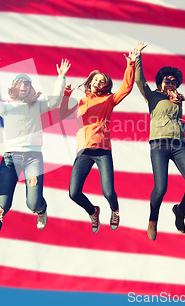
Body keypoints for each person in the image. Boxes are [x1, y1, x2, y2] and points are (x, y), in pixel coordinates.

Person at [0, 52, 70, 253]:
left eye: (27, 83)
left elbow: (55, 102)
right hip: (10, 159)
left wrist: (61, 78)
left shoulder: (37, 106)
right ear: (14, 87)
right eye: (20, 82)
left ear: (31, 88)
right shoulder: (6, 107)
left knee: (33, 202)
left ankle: (42, 210)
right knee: (1, 205)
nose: (24, 85)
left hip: (33, 159)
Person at [59, 45, 137, 233]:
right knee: (74, 193)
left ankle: (114, 210)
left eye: (102, 81)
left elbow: (126, 88)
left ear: (106, 86)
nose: (98, 82)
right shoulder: (82, 102)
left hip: (102, 150)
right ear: (90, 81)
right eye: (96, 80)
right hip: (84, 150)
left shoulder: (109, 99)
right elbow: (63, 115)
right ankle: (93, 211)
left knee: (108, 191)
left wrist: (131, 64)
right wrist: (66, 95)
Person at [134, 42, 185, 240]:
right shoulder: (153, 96)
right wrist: (137, 58)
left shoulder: (177, 100)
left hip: (178, 145)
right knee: (161, 188)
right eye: (167, 80)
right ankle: (153, 219)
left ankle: (180, 211)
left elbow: (178, 124)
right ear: (160, 82)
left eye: (174, 81)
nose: (171, 83)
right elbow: (139, 81)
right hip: (158, 145)